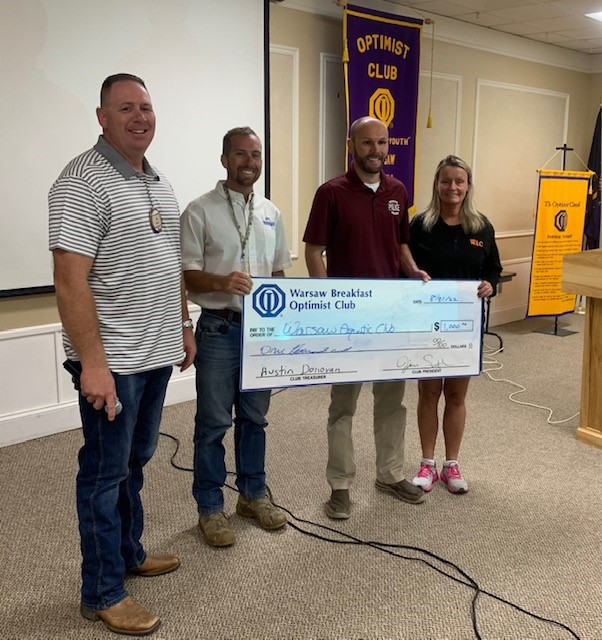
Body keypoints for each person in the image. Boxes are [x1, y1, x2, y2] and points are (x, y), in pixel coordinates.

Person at [49, 73, 196, 636]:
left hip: (154, 353)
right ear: (102, 117)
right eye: (127, 108)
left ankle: (129, 553)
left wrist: (182, 325)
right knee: (104, 474)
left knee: (135, 462)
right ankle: (102, 590)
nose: (141, 117)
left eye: (147, 107)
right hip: (113, 363)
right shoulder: (81, 182)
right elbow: (70, 280)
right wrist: (93, 364)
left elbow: (170, 263)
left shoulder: (158, 181)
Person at [303, 116, 429, 520]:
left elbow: (400, 245)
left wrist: (413, 271)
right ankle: (340, 485)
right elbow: (314, 251)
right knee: (344, 405)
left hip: (390, 316)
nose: (376, 150)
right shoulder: (331, 193)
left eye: (382, 143)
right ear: (351, 145)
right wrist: (326, 302)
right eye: (367, 143)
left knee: (392, 401)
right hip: (349, 320)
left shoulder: (398, 191)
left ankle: (390, 474)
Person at [181, 126, 292, 547]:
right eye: (241, 154)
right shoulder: (199, 211)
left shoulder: (271, 212)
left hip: (261, 332)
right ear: (224, 159)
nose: (249, 162)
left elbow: (278, 272)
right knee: (213, 423)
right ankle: (210, 507)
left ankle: (252, 496)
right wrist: (222, 281)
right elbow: (186, 275)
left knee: (255, 419)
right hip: (219, 328)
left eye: (256, 155)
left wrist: (283, 327)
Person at [409, 155, 502, 494]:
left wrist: (490, 284)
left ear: (468, 186)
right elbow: (405, 267)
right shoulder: (420, 225)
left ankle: (451, 465)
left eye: (459, 181)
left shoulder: (481, 226)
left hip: (465, 327)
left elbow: (493, 269)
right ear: (437, 184)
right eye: (446, 181)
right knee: (429, 392)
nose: (453, 187)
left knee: (456, 394)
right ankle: (427, 463)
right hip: (427, 322)